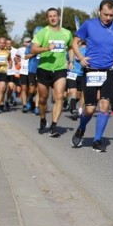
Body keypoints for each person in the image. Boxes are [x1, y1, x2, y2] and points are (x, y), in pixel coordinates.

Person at [71, 0, 113, 152]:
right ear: (99, 12)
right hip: (91, 70)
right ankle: (81, 128)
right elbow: (74, 42)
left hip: (109, 70)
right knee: (90, 109)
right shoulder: (89, 25)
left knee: (104, 106)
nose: (108, 18)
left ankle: (97, 141)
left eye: (111, 15)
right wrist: (80, 57)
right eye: (105, 14)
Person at [30, 8, 73, 137]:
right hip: (44, 69)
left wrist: (71, 60)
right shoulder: (43, 32)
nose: (53, 18)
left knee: (59, 96)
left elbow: (71, 47)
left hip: (60, 69)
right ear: (47, 18)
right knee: (42, 99)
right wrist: (46, 48)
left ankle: (54, 126)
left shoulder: (67, 33)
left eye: (55, 16)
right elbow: (33, 49)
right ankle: (43, 119)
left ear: (59, 17)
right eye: (50, 16)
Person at [66, 39, 86, 120]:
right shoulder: (72, 50)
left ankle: (71, 104)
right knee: (73, 92)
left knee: (79, 94)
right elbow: (68, 58)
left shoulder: (87, 50)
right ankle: (74, 110)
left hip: (82, 74)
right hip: (72, 73)